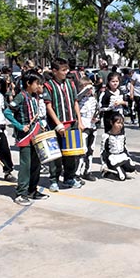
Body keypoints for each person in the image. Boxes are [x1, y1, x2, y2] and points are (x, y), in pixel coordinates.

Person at [4, 71, 49, 205]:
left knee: (36, 163)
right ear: (28, 83)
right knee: (25, 165)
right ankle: (21, 193)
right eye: (36, 83)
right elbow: (7, 112)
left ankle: (32, 189)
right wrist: (19, 126)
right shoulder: (21, 97)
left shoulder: (34, 97)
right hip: (25, 136)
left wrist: (41, 125)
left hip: (36, 133)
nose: (38, 86)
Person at [44, 58, 85, 192]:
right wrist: (58, 124)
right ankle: (54, 180)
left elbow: (75, 102)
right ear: (54, 71)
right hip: (57, 125)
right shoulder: (48, 85)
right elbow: (49, 107)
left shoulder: (71, 84)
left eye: (67, 69)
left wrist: (80, 120)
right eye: (63, 70)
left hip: (71, 123)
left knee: (71, 154)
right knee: (56, 155)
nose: (66, 72)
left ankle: (69, 178)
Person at [100, 113, 136, 181]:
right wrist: (104, 163)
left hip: (121, 156)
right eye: (118, 123)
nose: (120, 125)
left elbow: (124, 148)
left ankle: (119, 168)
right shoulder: (106, 136)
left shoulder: (122, 135)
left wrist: (128, 157)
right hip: (112, 158)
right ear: (111, 123)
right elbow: (102, 151)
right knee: (122, 177)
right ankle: (109, 170)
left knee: (132, 167)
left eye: (122, 123)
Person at [77, 77, 99, 182]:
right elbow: (76, 101)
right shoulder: (79, 99)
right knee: (82, 150)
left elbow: (98, 109)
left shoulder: (94, 98)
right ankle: (77, 172)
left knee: (91, 149)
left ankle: (87, 171)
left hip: (92, 125)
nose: (89, 90)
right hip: (83, 125)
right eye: (87, 88)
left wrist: (97, 118)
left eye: (91, 87)